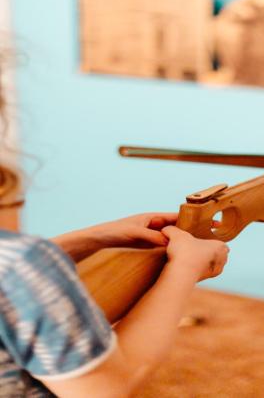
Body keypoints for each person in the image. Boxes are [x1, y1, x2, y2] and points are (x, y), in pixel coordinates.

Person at [0, 168, 230, 397]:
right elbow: (104, 390)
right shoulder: (21, 263)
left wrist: (89, 238)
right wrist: (185, 268)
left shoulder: (19, 261)